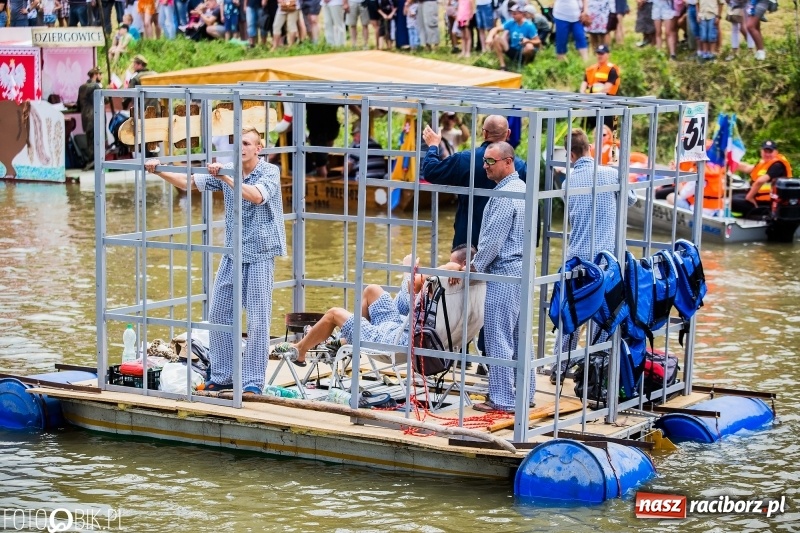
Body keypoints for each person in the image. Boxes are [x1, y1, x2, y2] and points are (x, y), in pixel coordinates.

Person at [144, 127, 287, 395]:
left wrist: (226, 176)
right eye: (237, 142)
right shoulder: (227, 169)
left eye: (246, 143)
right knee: (219, 312)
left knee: (257, 319)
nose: (241, 147)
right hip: (233, 251)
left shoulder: (270, 172)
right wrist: (158, 170)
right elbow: (189, 182)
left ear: (258, 148)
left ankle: (253, 380)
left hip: (260, 252)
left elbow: (256, 196)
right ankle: (223, 375)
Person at [274, 249, 474, 365]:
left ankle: (300, 350)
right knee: (372, 290)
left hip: (396, 340)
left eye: (451, 263)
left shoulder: (446, 280)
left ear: (462, 264)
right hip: (399, 328)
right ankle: (346, 339)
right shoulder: (468, 288)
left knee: (334, 313)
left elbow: (414, 283)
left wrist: (411, 266)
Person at [551, 128, 637, 381]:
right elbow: (631, 200)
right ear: (590, 148)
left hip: (576, 260)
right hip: (604, 261)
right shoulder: (610, 174)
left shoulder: (568, 182)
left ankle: (559, 368)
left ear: (571, 155)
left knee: (572, 316)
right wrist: (613, 170)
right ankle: (594, 367)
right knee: (604, 316)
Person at [468, 142, 532, 413]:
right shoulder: (523, 189)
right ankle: (524, 396)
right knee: (520, 338)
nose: (485, 166)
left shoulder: (505, 195)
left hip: (504, 273)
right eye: (485, 161)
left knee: (498, 338)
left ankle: (503, 399)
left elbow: (493, 241)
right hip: (522, 272)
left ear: (508, 162)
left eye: (491, 161)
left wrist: (475, 268)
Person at [421, 115, 527, 250]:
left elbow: (432, 172)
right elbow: (530, 207)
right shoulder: (520, 166)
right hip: (505, 244)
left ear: (484, 133)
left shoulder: (465, 159)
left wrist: (433, 146)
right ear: (508, 133)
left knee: (462, 269)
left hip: (467, 239)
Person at [731, 140, 794, 217]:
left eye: (770, 151)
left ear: (776, 152)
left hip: (768, 202)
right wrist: (729, 162)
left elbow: (760, 181)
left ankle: (756, 215)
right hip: (758, 198)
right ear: (761, 151)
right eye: (765, 151)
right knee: (733, 195)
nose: (767, 154)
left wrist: (749, 197)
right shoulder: (764, 163)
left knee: (731, 201)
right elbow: (747, 168)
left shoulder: (777, 165)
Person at [487, 3, 539, 70]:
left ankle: (526, 64)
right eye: (512, 13)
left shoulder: (529, 25)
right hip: (512, 49)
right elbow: (496, 29)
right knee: (496, 38)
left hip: (523, 51)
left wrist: (528, 41)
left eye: (515, 14)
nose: (513, 15)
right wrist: (489, 37)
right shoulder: (511, 22)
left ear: (522, 14)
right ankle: (503, 66)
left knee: (529, 47)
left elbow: (538, 41)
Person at [76, 67, 103, 171]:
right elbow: (102, 101)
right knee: (96, 141)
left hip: (85, 119)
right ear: (96, 75)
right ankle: (93, 162)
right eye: (100, 74)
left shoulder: (82, 87)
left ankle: (90, 161)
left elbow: (78, 105)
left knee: (90, 141)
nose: (101, 77)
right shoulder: (96, 86)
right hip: (94, 117)